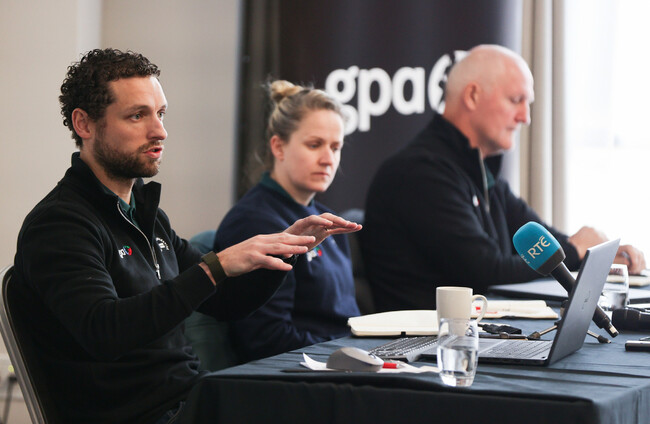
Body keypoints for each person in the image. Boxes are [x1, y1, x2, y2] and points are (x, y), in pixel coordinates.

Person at [12, 48, 360, 424]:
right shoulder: (59, 224)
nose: (159, 131)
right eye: (137, 116)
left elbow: (227, 302)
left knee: (354, 401)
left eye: (160, 114)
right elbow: (104, 331)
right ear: (84, 124)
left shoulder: (146, 215)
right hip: (140, 415)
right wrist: (214, 268)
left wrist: (286, 249)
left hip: (192, 399)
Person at [361, 44, 645, 312]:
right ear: (472, 96)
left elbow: (543, 241)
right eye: (516, 100)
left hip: (474, 331)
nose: (525, 117)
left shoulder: (479, 170)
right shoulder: (420, 172)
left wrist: (597, 257)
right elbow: (487, 272)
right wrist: (575, 251)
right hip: (430, 341)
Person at [209, 80, 361, 362]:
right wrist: (349, 356)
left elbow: (346, 321)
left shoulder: (327, 219)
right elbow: (266, 338)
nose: (328, 159)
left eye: (335, 147)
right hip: (300, 373)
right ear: (278, 147)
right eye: (314, 145)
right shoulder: (254, 222)